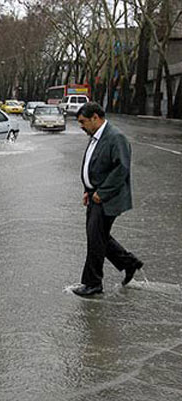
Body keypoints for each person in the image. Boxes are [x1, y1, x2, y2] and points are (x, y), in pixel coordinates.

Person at [72, 102, 144, 297]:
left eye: (83, 122)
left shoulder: (115, 137)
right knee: (99, 236)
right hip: (96, 194)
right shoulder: (96, 135)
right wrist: (88, 189)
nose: (81, 126)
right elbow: (96, 165)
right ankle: (129, 263)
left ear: (96, 117)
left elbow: (121, 168)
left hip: (107, 198)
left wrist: (101, 192)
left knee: (95, 239)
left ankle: (93, 283)